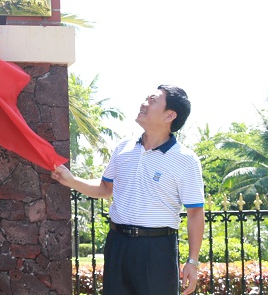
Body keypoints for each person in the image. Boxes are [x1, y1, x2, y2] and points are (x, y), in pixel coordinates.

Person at [52, 84, 204, 295]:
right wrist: (71, 180)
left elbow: (195, 212)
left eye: (153, 101)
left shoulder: (185, 160)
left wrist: (192, 262)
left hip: (157, 249)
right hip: (118, 244)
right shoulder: (123, 148)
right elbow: (106, 188)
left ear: (170, 115)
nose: (144, 104)